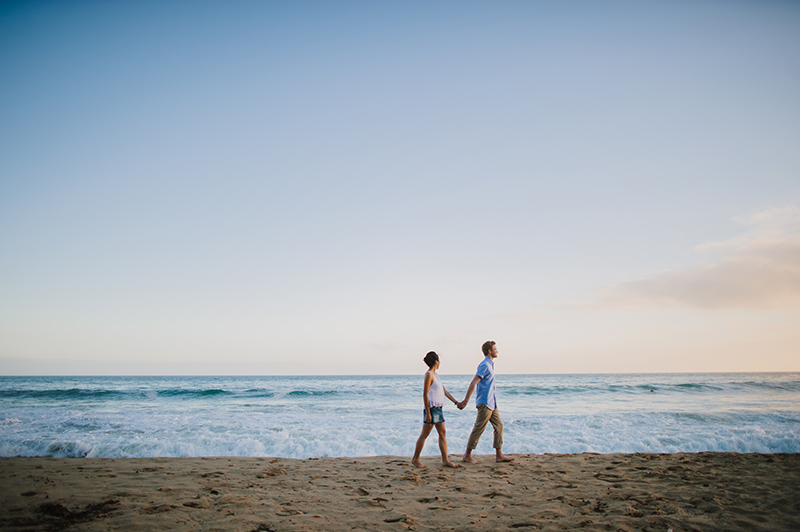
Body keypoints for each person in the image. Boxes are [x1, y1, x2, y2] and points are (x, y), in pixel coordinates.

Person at [458, 340, 513, 464]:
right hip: (484, 403)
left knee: (499, 426)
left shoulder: (490, 364)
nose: (497, 350)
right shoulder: (484, 365)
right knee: (479, 428)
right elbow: (474, 382)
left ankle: (499, 455)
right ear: (489, 351)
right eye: (495, 348)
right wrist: (466, 400)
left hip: (492, 403)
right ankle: (467, 455)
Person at [411, 351, 461, 468]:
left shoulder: (436, 375)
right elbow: (425, 394)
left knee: (442, 433)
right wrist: (428, 413)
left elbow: (444, 391)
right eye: (439, 361)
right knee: (424, 434)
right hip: (432, 409)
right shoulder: (428, 375)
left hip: (439, 409)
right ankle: (415, 459)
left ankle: (445, 460)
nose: (440, 363)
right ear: (436, 361)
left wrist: (456, 402)